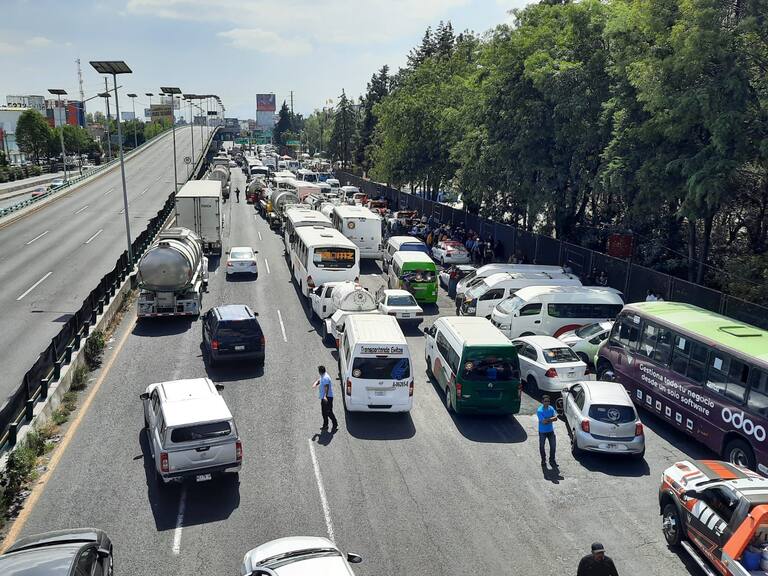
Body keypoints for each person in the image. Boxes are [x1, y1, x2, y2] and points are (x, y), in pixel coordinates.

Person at [312, 365, 338, 432]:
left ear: (320, 372)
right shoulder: (323, 375)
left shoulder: (325, 378)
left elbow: (326, 387)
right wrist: (316, 383)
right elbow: (320, 380)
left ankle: (335, 424)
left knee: (329, 412)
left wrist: (325, 396)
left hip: (327, 398)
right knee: (324, 412)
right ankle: (325, 425)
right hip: (324, 397)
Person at [537, 395, 558, 467]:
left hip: (550, 431)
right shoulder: (539, 410)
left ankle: (552, 460)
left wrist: (547, 419)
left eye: (548, 401)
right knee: (542, 446)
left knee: (553, 446)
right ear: (542, 402)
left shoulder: (551, 408)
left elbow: (556, 418)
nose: (547, 403)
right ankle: (543, 460)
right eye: (545, 401)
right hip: (542, 432)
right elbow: (544, 422)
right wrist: (551, 419)